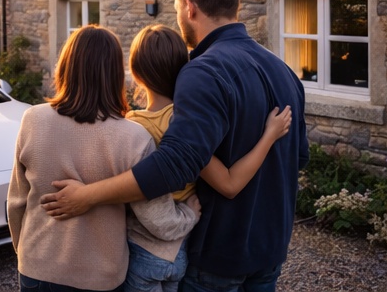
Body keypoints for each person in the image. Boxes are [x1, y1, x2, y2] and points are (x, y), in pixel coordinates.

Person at [40, 0, 307, 292]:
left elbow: (173, 165)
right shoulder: (284, 71)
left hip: (218, 256)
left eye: (177, 8)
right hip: (271, 249)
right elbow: (296, 159)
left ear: (189, 7)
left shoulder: (203, 71)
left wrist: (88, 196)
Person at [8, 25, 199, 292]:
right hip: (101, 277)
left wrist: (26, 254)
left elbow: (16, 202)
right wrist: (189, 214)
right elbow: (157, 219)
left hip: (36, 267)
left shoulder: (32, 120)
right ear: (114, 74)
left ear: (65, 66)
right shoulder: (133, 137)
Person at [123, 25, 292, 292]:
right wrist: (269, 135)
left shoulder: (145, 126)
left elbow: (229, 183)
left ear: (136, 74)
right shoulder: (187, 119)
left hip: (147, 246)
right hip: (229, 246)